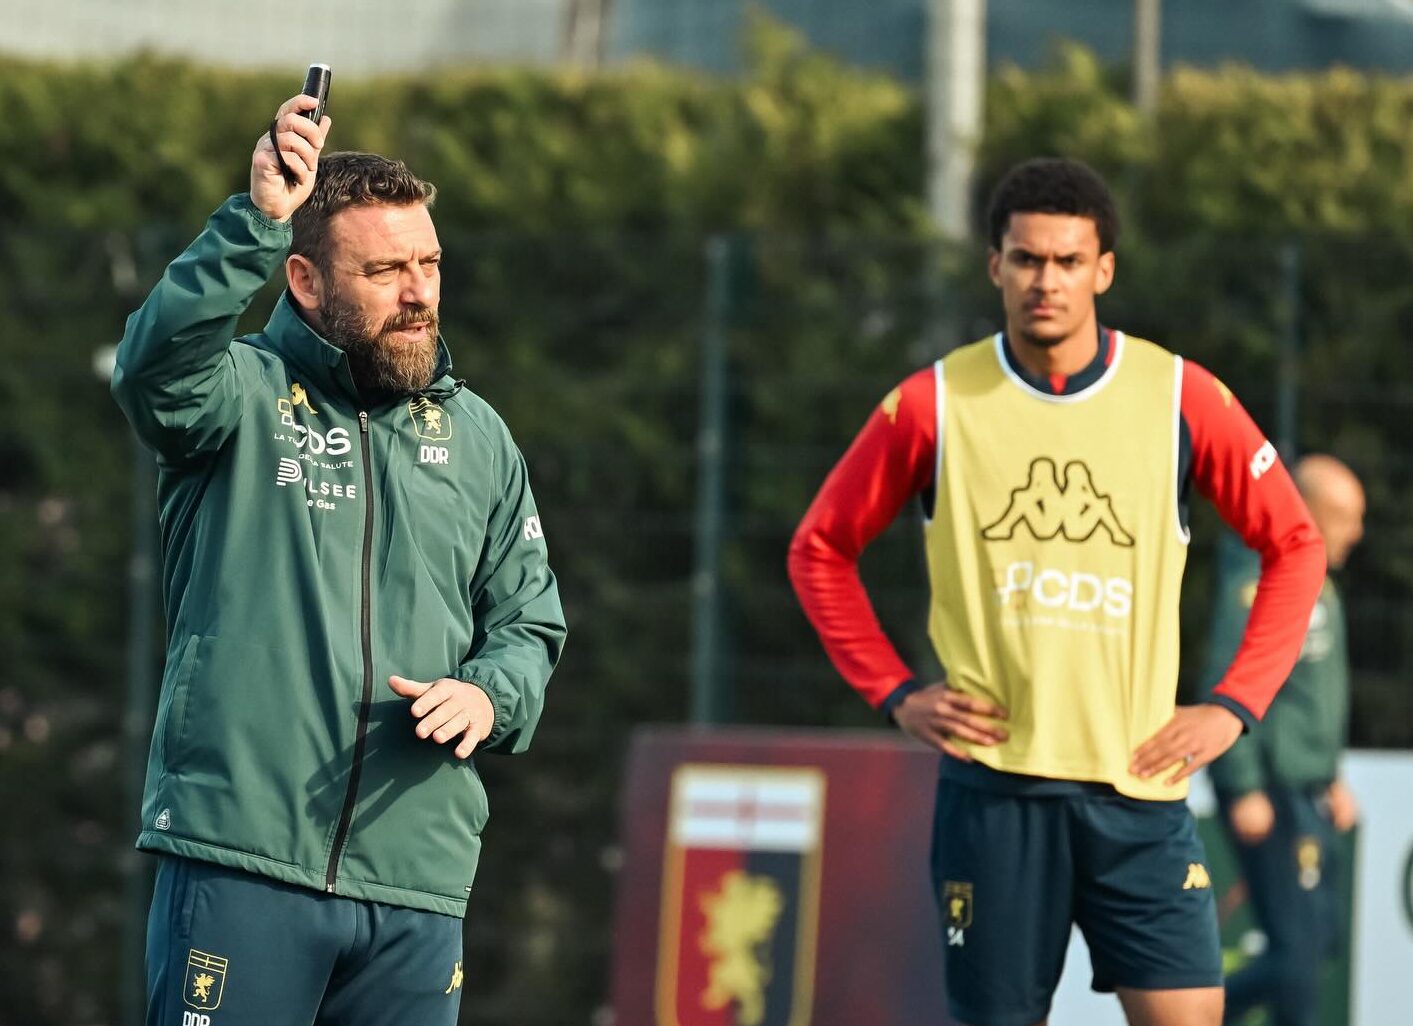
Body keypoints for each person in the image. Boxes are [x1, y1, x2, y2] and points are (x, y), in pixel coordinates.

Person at [787, 157, 1327, 1026]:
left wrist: (1232, 706)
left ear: (1103, 270)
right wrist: (892, 692)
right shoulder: (933, 403)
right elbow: (818, 547)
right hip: (994, 795)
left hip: (1140, 790)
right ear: (994, 266)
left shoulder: (1180, 396)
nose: (1047, 280)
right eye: (1027, 259)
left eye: (1068, 261)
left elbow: (1295, 542)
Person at [111, 91, 566, 1025]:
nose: (419, 292)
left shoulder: (478, 436)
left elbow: (528, 621)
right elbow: (153, 368)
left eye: (430, 263)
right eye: (386, 269)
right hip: (243, 860)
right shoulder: (235, 394)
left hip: (417, 883)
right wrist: (257, 221)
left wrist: (489, 693)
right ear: (306, 283)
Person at [1205, 454, 1364, 1026]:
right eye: (1347, 517)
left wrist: (1333, 775)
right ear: (1314, 513)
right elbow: (1225, 679)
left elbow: (1311, 699)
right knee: (1295, 956)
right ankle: (1186, 1017)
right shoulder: (1259, 579)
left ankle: (1194, 1016)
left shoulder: (1325, 590)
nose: (1358, 532)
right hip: (1271, 792)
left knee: (1319, 941)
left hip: (1309, 791)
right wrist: (1242, 783)